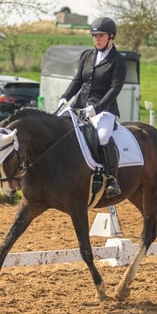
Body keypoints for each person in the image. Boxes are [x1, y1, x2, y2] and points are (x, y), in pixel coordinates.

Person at [58, 16, 127, 197]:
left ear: (111, 37)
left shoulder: (118, 60)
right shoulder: (87, 56)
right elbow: (78, 80)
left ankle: (111, 177)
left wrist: (98, 108)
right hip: (80, 105)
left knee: (102, 136)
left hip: (105, 109)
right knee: (59, 129)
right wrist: (65, 97)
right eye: (94, 35)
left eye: (101, 35)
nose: (97, 39)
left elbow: (115, 88)